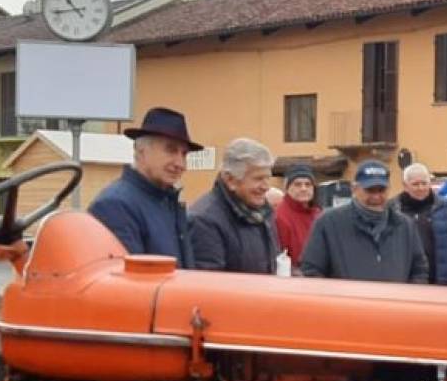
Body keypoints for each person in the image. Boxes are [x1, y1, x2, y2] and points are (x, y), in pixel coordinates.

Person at [88, 106, 200, 266]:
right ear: (141, 151)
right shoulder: (115, 206)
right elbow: (130, 284)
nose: (180, 164)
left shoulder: (167, 203)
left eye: (184, 154)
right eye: (171, 150)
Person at [301, 159, 428, 284]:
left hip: (394, 303)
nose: (376, 196)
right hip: (346, 303)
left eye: (381, 189)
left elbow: (419, 269)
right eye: (370, 190)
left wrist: (406, 298)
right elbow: (312, 270)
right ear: (355, 189)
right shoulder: (328, 223)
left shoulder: (405, 226)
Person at [189, 138, 279, 274]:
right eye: (258, 179)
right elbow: (208, 286)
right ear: (230, 180)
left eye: (267, 178)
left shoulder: (263, 213)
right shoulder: (204, 220)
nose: (266, 187)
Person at [391, 163, 447, 286]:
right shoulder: (391, 211)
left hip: (441, 284)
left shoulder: (446, 210)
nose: (420, 188)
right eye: (415, 184)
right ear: (405, 186)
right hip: (405, 284)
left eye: (424, 183)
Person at [274, 164, 322, 271]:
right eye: (297, 184)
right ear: (287, 188)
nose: (303, 188)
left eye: (308, 184)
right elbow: (278, 258)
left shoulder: (318, 214)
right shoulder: (279, 217)